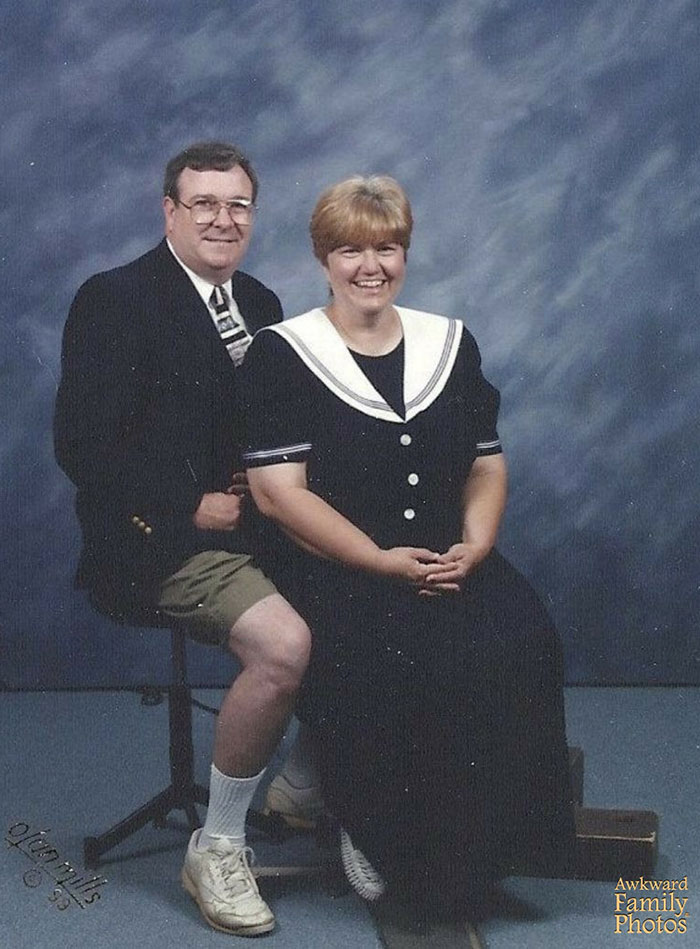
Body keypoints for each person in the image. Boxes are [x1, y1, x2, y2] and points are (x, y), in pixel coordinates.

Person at [242, 175, 576, 919]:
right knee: (404, 651)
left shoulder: (448, 342)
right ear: (323, 257)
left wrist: (477, 545)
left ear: (406, 252)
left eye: (387, 247)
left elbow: (486, 463)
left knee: (520, 637)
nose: (371, 265)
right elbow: (278, 494)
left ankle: (485, 854)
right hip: (333, 561)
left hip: (440, 552)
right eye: (351, 249)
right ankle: (374, 830)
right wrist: (375, 559)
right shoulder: (284, 352)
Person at [54, 142, 322, 937]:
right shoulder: (116, 297)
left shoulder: (264, 300)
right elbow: (81, 446)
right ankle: (220, 842)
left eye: (237, 204)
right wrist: (189, 505)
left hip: (256, 530)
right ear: (168, 209)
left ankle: (308, 781)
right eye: (203, 203)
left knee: (368, 585)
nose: (222, 218)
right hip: (154, 542)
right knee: (284, 647)